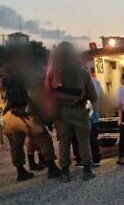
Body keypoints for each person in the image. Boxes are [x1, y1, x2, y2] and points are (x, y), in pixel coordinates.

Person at [0, 62, 61, 182]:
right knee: (43, 138)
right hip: (23, 114)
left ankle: (20, 171)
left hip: (5, 119)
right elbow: (30, 96)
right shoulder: (14, 79)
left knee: (15, 145)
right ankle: (52, 167)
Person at [46, 42, 97, 182]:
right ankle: (87, 170)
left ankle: (65, 172)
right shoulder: (82, 72)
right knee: (84, 142)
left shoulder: (53, 73)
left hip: (61, 113)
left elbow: (48, 93)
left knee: (64, 143)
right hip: (79, 111)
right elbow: (93, 96)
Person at [72, 68, 102, 167]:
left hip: (82, 112)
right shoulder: (95, 82)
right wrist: (97, 112)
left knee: (80, 138)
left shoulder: (78, 82)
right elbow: (99, 96)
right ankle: (96, 158)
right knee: (92, 137)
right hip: (91, 112)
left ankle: (82, 160)